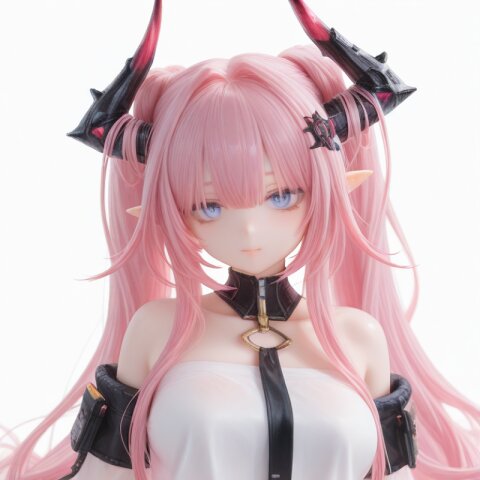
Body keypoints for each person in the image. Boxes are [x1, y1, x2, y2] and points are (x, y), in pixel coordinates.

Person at [1, 0, 479, 479]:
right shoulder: (157, 331)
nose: (249, 230)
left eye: (281, 196)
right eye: (209, 205)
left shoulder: (358, 337)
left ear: (329, 189)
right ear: (173, 213)